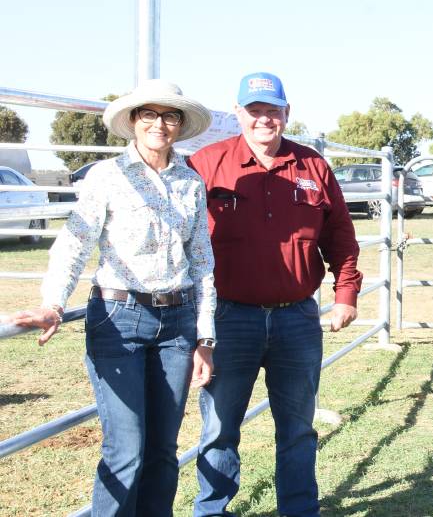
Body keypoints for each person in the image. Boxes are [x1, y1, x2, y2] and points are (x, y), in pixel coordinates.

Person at [7, 80, 216, 516]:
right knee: (126, 449)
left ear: (179, 125)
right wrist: (54, 303)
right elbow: (74, 243)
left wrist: (205, 337)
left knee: (163, 450)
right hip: (120, 318)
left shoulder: (191, 183)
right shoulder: (107, 177)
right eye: (149, 114)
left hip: (177, 324)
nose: (160, 124)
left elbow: (202, 263)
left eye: (170, 115)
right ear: (133, 122)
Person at [187, 71, 362, 517]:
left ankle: (299, 511)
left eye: (273, 110)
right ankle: (211, 511)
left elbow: (340, 234)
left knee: (298, 428)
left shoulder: (313, 166)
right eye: (254, 110)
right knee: (220, 427)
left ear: (287, 114)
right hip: (229, 317)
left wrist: (345, 293)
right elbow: (182, 237)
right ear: (237, 113)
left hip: (296, 319)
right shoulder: (206, 164)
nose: (264, 119)